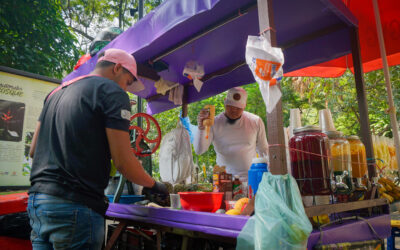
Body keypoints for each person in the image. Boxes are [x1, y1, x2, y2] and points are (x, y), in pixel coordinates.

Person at [28, 48, 168, 249]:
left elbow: (34, 150)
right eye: (128, 82)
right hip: (75, 207)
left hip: (38, 203)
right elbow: (123, 161)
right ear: (117, 68)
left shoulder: (56, 92)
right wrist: (154, 185)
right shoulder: (112, 91)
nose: (126, 90)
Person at [193, 87, 269, 181]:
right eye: (231, 106)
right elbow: (199, 150)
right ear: (225, 102)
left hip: (251, 178)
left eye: (238, 108)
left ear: (244, 106)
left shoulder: (255, 121)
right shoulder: (215, 122)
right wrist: (201, 128)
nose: (234, 110)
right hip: (224, 180)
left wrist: (268, 176)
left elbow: (264, 151)